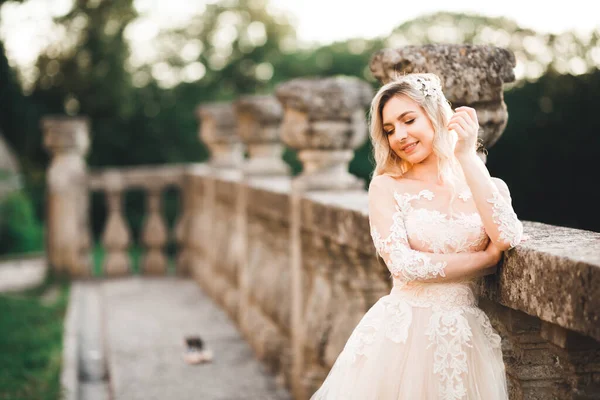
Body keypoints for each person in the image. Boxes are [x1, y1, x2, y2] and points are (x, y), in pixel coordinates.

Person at [309, 73, 523, 400]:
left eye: (409, 120)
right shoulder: (386, 186)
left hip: (463, 339)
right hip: (401, 336)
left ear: (437, 115)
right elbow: (403, 264)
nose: (400, 136)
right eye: (390, 129)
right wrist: (485, 259)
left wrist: (466, 156)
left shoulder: (487, 185)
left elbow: (507, 235)